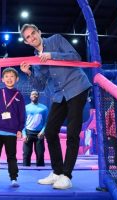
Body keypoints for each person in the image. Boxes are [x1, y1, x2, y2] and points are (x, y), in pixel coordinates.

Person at [20, 24, 91, 189]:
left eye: (33, 33)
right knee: (50, 132)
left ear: (39, 32)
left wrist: (52, 55)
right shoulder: (35, 60)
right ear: (26, 42)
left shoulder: (56, 39)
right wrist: (29, 73)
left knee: (73, 134)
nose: (32, 38)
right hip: (59, 95)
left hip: (77, 88)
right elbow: (40, 86)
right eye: (28, 37)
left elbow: (75, 56)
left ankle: (66, 176)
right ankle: (57, 172)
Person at [0, 67, 25, 187]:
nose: (9, 79)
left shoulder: (19, 95)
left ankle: (13, 179)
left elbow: (22, 113)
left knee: (11, 156)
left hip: (11, 132)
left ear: (16, 79)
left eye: (12, 76)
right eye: (6, 76)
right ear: (2, 79)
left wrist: (19, 129)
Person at [22, 90, 48, 166]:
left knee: (40, 155)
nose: (34, 95)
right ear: (30, 96)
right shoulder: (26, 108)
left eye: (36, 94)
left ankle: (40, 172)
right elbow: (22, 122)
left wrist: (43, 131)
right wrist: (24, 134)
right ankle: (26, 172)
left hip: (39, 134)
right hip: (28, 133)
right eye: (32, 94)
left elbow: (46, 122)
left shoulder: (44, 108)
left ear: (38, 96)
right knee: (26, 155)